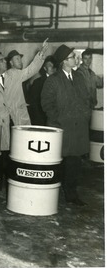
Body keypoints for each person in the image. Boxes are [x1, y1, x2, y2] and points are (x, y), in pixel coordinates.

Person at [0, 40, 48, 189]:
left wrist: (40, 54)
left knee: (17, 153)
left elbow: (31, 70)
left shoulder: (14, 74)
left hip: (17, 121)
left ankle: (15, 185)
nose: (5, 62)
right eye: (2, 61)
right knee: (1, 156)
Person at [41, 44, 92, 206]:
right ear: (64, 61)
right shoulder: (53, 80)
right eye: (72, 57)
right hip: (61, 128)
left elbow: (86, 98)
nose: (76, 59)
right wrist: (58, 121)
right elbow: (46, 104)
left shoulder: (79, 77)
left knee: (75, 163)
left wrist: (85, 114)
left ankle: (71, 194)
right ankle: (52, 194)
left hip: (78, 128)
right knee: (59, 162)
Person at [27, 55, 57, 126]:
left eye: (53, 65)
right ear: (44, 68)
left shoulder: (59, 81)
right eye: (49, 65)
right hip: (42, 121)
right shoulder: (38, 82)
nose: (52, 67)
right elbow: (33, 105)